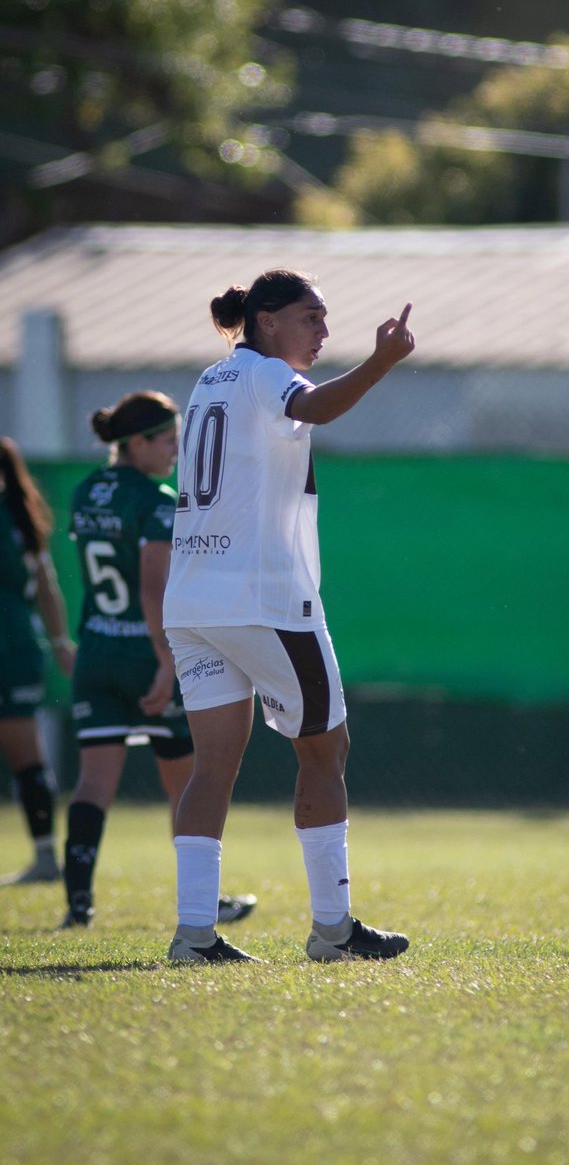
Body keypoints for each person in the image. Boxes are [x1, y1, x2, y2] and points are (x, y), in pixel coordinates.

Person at [162, 268, 415, 964]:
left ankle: (193, 935)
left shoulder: (210, 379)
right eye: (312, 316)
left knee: (213, 765)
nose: (323, 331)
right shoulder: (265, 373)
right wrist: (382, 361)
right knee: (326, 750)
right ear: (266, 320)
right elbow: (317, 408)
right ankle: (333, 930)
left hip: (193, 600)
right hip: (262, 599)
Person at [61, 392, 256, 929]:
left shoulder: (85, 490)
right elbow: (153, 588)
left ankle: (77, 903)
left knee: (93, 781)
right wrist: (167, 663)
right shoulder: (158, 499)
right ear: (137, 443)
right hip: (145, 658)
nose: (176, 451)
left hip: (96, 652)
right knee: (187, 781)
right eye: (168, 440)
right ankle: (203, 900)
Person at [0, 438, 75, 885]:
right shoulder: (20, 515)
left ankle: (46, 858)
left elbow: (46, 585)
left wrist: (61, 641)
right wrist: (60, 642)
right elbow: (47, 585)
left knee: (24, 754)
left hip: (12, 649)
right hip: (21, 647)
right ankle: (45, 856)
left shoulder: (15, 517)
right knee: (26, 756)